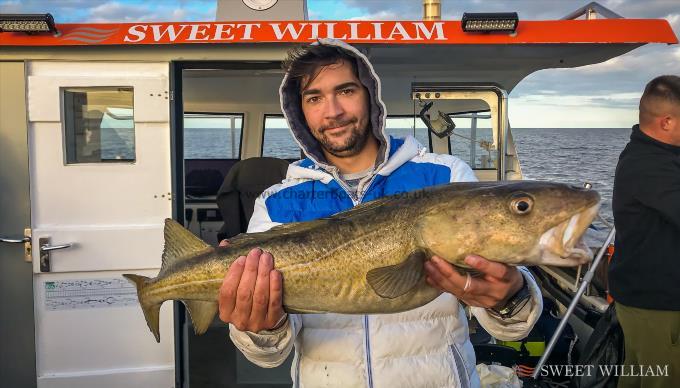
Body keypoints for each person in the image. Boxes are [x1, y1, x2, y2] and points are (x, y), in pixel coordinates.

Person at [217, 39, 543, 387]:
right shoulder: (277, 202)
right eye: (314, 98)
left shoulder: (446, 177)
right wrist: (261, 327)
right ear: (300, 111)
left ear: (370, 95)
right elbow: (268, 354)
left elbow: (508, 322)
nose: (332, 111)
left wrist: (511, 297)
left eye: (345, 91)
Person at [609, 75, 680, 388]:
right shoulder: (648, 165)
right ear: (666, 122)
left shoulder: (658, 156)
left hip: (648, 299)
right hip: (659, 305)